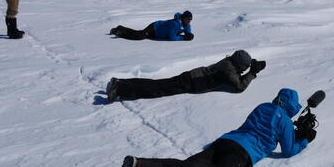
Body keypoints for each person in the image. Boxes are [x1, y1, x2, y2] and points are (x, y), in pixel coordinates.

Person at [115, 88, 317, 167]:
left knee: (189, 165)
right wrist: (305, 139)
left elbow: (258, 126)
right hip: (242, 152)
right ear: (292, 107)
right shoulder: (285, 122)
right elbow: (288, 150)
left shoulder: (263, 106)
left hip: (226, 141)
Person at [106, 50, 266, 103]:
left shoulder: (229, 63)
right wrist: (252, 73)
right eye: (245, 66)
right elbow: (239, 87)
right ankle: (120, 89)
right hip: (192, 83)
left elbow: (236, 76)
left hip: (191, 77)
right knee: (157, 89)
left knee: (158, 84)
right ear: (239, 64)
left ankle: (120, 83)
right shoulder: (229, 70)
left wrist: (250, 68)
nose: (246, 68)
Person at [109, 11, 194, 41]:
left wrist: (189, 35)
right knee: (140, 36)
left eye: (190, 19)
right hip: (155, 28)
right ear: (183, 18)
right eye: (187, 19)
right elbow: (172, 37)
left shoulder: (186, 24)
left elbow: (187, 32)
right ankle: (120, 33)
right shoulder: (175, 23)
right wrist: (183, 38)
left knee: (139, 33)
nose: (189, 21)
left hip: (157, 34)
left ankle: (120, 28)